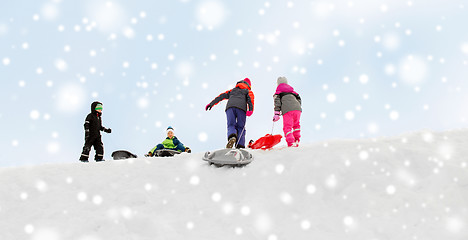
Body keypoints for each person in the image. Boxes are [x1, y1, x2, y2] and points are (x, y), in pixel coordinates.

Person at [205, 78, 254, 148]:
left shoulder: (232, 90)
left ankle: (232, 136)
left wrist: (211, 104)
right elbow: (250, 100)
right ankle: (240, 145)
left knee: (231, 125)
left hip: (230, 107)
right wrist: (250, 110)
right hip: (241, 108)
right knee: (240, 127)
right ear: (249, 86)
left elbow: (221, 96)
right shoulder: (247, 91)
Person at [273, 77, 302, 147]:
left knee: (287, 127)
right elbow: (299, 98)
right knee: (296, 125)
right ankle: (297, 140)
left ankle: (291, 143)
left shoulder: (278, 92)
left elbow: (277, 102)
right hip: (297, 109)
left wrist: (277, 113)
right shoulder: (292, 91)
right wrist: (297, 106)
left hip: (287, 110)